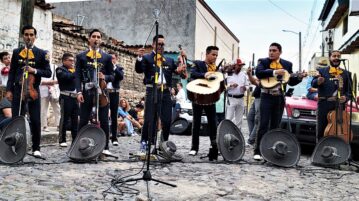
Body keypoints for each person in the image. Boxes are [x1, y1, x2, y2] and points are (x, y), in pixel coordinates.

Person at [6, 25, 52, 157]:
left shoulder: (42, 53)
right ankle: (16, 145)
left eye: (31, 35)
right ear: (23, 36)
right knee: (16, 118)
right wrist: (9, 90)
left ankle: (36, 147)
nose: (29, 37)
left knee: (36, 119)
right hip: (17, 90)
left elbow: (48, 72)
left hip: (33, 91)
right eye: (26, 34)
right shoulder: (16, 52)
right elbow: (12, 72)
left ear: (35, 37)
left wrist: (34, 71)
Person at [135, 34, 186, 151]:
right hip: (152, 90)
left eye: (163, 44)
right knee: (149, 119)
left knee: (167, 120)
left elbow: (181, 73)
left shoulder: (169, 60)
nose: (161, 46)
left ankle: (163, 144)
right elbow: (138, 70)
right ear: (153, 44)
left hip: (166, 92)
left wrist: (182, 64)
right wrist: (139, 57)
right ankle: (145, 143)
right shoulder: (147, 58)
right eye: (159, 44)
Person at [254, 42, 304, 160]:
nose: (271, 52)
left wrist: (299, 78)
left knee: (275, 124)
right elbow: (259, 73)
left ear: (280, 52)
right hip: (266, 95)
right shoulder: (264, 62)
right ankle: (258, 151)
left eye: (274, 50)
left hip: (279, 97)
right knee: (263, 123)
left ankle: (271, 150)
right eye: (270, 50)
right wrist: (275, 72)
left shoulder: (287, 64)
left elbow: (290, 81)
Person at [75, 29, 114, 155]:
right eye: (93, 36)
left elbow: (112, 76)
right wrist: (79, 92)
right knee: (83, 120)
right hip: (87, 91)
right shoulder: (81, 56)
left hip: (102, 93)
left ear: (101, 40)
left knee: (103, 120)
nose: (96, 39)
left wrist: (105, 77)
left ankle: (106, 146)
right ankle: (78, 144)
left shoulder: (107, 57)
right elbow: (77, 77)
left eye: (98, 37)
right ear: (89, 39)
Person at [312, 50, 352, 142]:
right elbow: (313, 84)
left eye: (338, 56)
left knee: (337, 131)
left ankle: (337, 151)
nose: (336, 58)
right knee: (321, 131)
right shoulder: (321, 71)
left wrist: (346, 98)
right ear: (329, 58)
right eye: (334, 56)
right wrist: (318, 81)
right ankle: (321, 152)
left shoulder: (346, 73)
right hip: (324, 105)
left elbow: (349, 91)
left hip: (339, 106)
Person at [189, 46, 220, 161]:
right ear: (207, 54)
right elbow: (193, 73)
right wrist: (205, 74)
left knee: (213, 123)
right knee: (196, 122)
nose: (215, 57)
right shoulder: (197, 63)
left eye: (216, 55)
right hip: (198, 97)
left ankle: (214, 146)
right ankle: (194, 147)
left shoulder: (216, 68)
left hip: (210, 98)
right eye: (213, 54)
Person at [56, 53, 79, 147]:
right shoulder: (60, 69)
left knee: (75, 119)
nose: (72, 62)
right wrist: (76, 72)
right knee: (64, 119)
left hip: (74, 97)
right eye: (70, 60)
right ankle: (62, 139)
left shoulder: (73, 71)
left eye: (73, 60)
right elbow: (67, 77)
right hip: (65, 96)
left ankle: (75, 139)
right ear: (64, 61)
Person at [225, 58, 249, 130]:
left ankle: (237, 134)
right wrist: (230, 85)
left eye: (241, 66)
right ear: (234, 65)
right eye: (239, 65)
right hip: (231, 98)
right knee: (229, 118)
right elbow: (224, 87)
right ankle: (227, 132)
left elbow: (247, 85)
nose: (240, 67)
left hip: (241, 98)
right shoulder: (228, 75)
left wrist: (245, 88)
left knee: (239, 119)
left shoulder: (243, 75)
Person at [108, 51, 124, 146]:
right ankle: (104, 136)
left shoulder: (119, 68)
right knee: (103, 115)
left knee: (114, 116)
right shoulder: (105, 68)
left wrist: (114, 67)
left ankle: (114, 137)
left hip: (114, 93)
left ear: (116, 59)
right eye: (110, 58)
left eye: (113, 58)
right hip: (105, 93)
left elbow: (121, 76)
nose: (111, 60)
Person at [40, 62, 60, 132]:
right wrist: (47, 83)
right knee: (43, 108)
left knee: (57, 108)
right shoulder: (39, 66)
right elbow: (37, 81)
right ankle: (44, 126)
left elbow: (60, 79)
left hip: (54, 90)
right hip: (43, 90)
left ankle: (58, 125)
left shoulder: (54, 66)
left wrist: (53, 82)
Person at [246, 67, 261, 146]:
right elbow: (254, 81)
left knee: (257, 119)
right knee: (250, 117)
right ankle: (252, 138)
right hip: (256, 97)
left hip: (261, 98)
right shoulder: (260, 75)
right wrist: (249, 74)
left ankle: (251, 139)